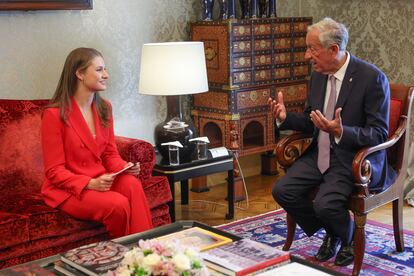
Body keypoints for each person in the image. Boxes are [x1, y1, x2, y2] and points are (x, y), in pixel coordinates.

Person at [268, 18, 395, 266]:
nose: (307, 55)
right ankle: (339, 233)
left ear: (334, 50)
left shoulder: (372, 79)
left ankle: (345, 237)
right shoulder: (318, 76)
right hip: (320, 153)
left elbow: (379, 134)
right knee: (282, 191)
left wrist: (341, 130)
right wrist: (285, 118)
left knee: (325, 205)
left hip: (353, 159)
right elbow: (310, 120)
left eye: (312, 49)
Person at [41, 47, 153, 238]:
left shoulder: (104, 108)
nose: (106, 75)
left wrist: (124, 167)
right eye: (99, 70)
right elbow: (54, 171)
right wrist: (89, 183)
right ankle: (124, 257)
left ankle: (147, 252)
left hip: (100, 178)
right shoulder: (54, 115)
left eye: (105, 69)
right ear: (80, 74)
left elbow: (109, 154)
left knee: (132, 184)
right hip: (68, 189)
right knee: (118, 205)